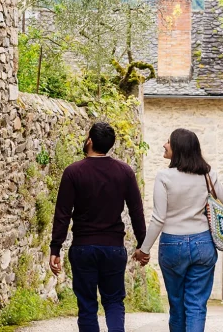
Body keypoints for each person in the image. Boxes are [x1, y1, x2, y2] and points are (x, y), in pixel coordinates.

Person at [49, 122, 148, 332]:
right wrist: (143, 244)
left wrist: (55, 248)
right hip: (113, 248)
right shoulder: (124, 172)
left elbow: (63, 214)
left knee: (86, 306)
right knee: (113, 302)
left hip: (83, 248)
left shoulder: (73, 172)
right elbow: (136, 211)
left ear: (90, 141)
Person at [133, 128, 223, 332]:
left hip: (172, 245)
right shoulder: (207, 174)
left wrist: (144, 250)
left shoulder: (164, 177)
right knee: (196, 305)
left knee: (177, 305)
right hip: (203, 244)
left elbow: (158, 219)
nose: (164, 144)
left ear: (178, 148)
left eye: (168, 142)